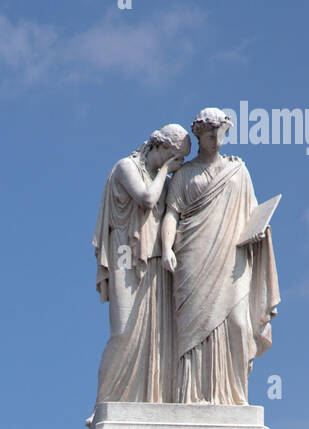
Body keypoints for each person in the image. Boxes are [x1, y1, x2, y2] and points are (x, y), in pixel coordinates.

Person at [161, 108, 280, 404]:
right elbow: (171, 215)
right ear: (198, 135)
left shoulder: (238, 170)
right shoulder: (184, 174)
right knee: (192, 328)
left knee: (238, 323)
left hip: (233, 255)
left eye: (221, 134)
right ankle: (191, 396)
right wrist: (165, 249)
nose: (216, 140)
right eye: (210, 135)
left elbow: (253, 212)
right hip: (192, 253)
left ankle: (232, 397)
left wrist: (260, 231)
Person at [91, 124, 190, 407]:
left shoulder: (166, 181)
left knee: (154, 333)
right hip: (125, 252)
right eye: (176, 157)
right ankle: (104, 402)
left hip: (155, 258)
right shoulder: (126, 167)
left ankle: (148, 398)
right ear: (160, 147)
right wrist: (163, 172)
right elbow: (147, 199)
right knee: (123, 331)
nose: (178, 164)